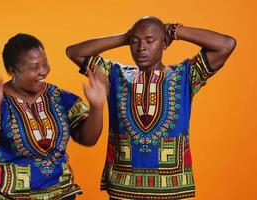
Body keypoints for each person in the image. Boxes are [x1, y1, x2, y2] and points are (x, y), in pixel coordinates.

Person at [66, 16, 236, 199]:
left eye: (150, 40)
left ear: (163, 43)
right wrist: (125, 37)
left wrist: (174, 31)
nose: (141, 48)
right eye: (135, 42)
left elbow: (226, 45)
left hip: (172, 189)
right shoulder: (115, 75)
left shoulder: (185, 75)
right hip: (123, 188)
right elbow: (74, 52)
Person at [0, 33, 106, 199]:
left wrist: (97, 106)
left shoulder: (60, 97)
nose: (43, 71)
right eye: (34, 67)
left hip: (61, 194)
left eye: (45, 63)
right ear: (12, 70)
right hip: (10, 196)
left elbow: (88, 139)